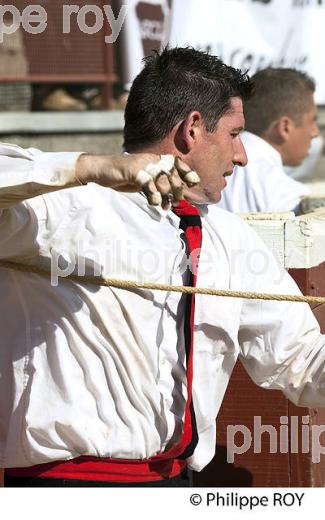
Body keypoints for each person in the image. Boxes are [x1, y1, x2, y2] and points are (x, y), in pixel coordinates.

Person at [1, 47, 325, 488]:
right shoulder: (66, 206)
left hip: (173, 486)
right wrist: (90, 167)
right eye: (234, 134)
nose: (243, 156)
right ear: (192, 129)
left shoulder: (229, 237)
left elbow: (303, 361)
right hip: (68, 487)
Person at [218, 68, 319, 214]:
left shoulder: (207, 169)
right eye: (312, 120)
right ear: (285, 127)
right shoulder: (290, 196)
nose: (315, 132)